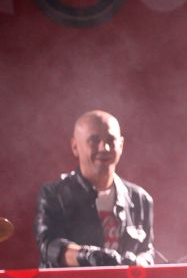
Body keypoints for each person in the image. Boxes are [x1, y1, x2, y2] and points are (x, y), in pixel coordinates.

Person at [35, 110, 155, 268]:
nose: (104, 148)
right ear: (75, 146)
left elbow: (147, 251)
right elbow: (49, 247)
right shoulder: (54, 194)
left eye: (111, 140)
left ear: (121, 145)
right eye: (94, 140)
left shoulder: (140, 199)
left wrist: (138, 262)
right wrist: (88, 256)